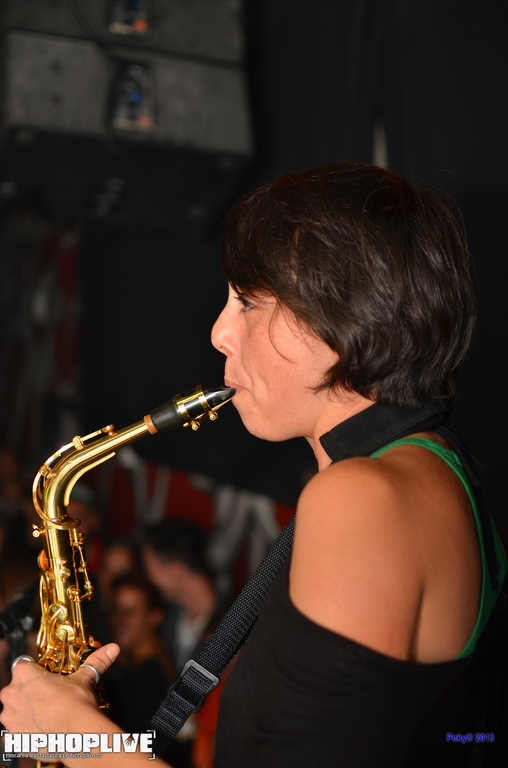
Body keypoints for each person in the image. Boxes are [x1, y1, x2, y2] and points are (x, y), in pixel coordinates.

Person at [1, 161, 507, 768]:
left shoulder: (362, 496)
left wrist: (73, 735)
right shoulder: (431, 465)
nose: (220, 332)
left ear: (341, 315)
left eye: (245, 302)